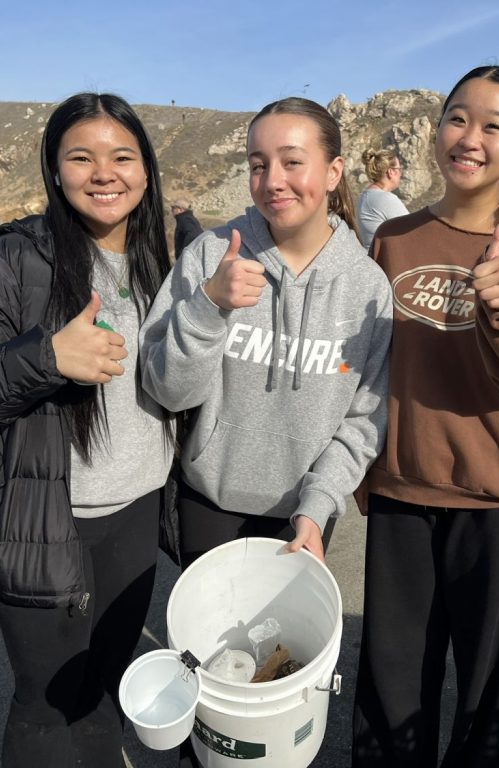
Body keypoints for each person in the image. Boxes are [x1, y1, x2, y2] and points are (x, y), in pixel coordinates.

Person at [0, 92, 175, 768]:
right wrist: (46, 358)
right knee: (45, 704)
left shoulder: (157, 262)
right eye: (80, 157)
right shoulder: (13, 261)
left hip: (136, 514)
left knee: (101, 690)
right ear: (54, 170)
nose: (103, 172)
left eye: (122, 156)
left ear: (146, 170)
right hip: (44, 519)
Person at [352, 66, 499, 767]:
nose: (468, 137)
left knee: (488, 701)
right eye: (456, 118)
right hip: (402, 495)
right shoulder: (395, 241)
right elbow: (363, 366)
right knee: (390, 693)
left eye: (492, 125)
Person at [139, 96, 392, 565]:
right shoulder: (210, 255)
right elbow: (168, 391)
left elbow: (365, 418)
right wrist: (209, 306)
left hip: (304, 512)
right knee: (212, 638)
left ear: (334, 172)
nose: (273, 180)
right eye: (258, 165)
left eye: (292, 162)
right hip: (207, 499)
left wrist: (319, 506)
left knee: (282, 640)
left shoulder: (368, 286)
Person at [357, 148, 410, 248]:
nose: (400, 174)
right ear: (391, 172)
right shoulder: (384, 199)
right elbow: (413, 230)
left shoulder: (365, 196)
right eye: (399, 169)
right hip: (381, 262)